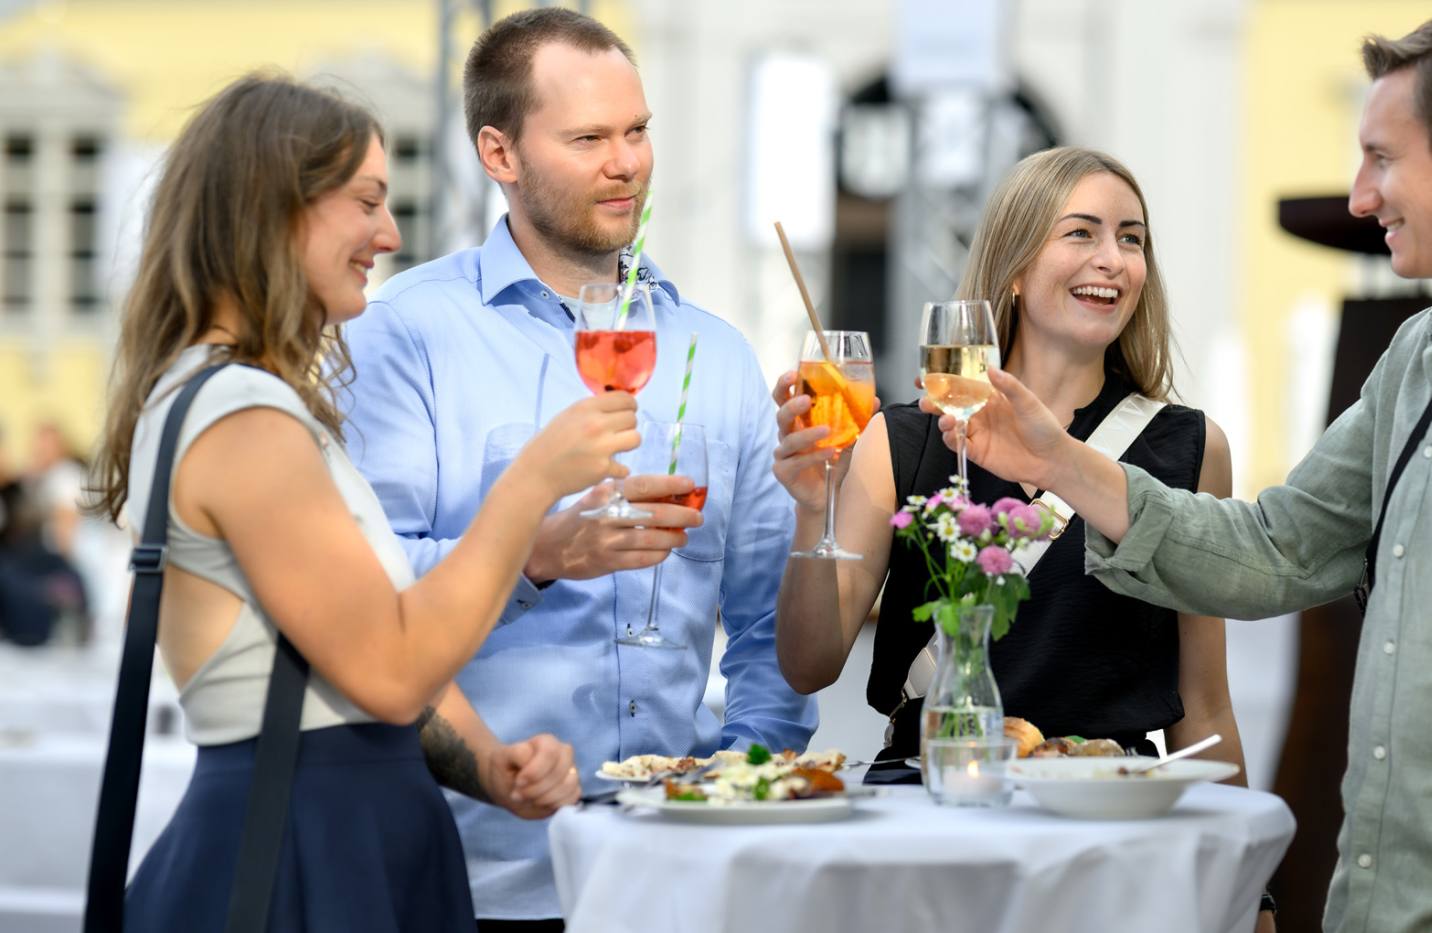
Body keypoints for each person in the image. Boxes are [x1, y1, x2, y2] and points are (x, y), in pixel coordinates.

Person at [931, 13, 1432, 932]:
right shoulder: (1420, 353)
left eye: (1382, 159)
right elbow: (1275, 549)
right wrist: (1054, 458)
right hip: (1382, 903)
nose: (1361, 196)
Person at [85, 74, 633, 930]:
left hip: (337, 826)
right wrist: (530, 485)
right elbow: (389, 672)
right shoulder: (241, 416)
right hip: (305, 845)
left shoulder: (240, 400)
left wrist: (487, 763)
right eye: (368, 201)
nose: (390, 233)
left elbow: (358, 649)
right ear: (273, 209)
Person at [341, 9, 815, 927]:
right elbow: (368, 596)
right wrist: (537, 550)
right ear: (499, 153)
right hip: (475, 871)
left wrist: (741, 781)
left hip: (675, 875)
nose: (627, 162)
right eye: (589, 137)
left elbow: (767, 625)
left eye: (637, 131)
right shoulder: (406, 332)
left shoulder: (714, 354)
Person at [770, 145, 1256, 775]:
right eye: (1081, 233)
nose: (1112, 260)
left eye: (1131, 240)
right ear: (1016, 267)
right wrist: (814, 513)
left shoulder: (1191, 451)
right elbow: (809, 666)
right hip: (935, 796)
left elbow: (1206, 705)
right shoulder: (901, 440)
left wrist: (1244, 868)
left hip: (1109, 805)